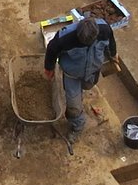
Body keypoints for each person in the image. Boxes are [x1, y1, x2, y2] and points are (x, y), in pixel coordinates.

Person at [43, 15, 115, 147]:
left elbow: (111, 44)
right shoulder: (64, 38)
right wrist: (49, 68)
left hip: (92, 71)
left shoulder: (104, 29)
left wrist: (113, 57)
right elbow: (51, 50)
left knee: (88, 86)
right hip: (72, 75)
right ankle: (77, 125)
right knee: (74, 104)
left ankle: (80, 94)